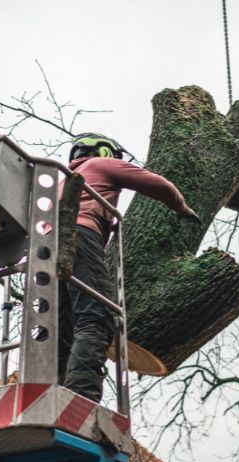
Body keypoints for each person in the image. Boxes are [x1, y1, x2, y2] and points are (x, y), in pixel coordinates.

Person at [57, 133, 201, 402]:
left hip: (46, 249)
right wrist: (181, 207)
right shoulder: (101, 164)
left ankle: (52, 386)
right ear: (105, 152)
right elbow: (157, 184)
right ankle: (80, 397)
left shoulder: (61, 182)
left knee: (59, 324)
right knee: (95, 318)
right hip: (80, 237)